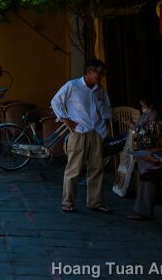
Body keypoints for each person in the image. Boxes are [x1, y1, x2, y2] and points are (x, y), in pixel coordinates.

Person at [50, 58, 112, 214]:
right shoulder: (73, 85)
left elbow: (106, 108)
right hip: (79, 132)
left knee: (97, 169)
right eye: (98, 73)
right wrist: (66, 120)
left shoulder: (100, 90)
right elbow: (56, 101)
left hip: (96, 132)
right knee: (74, 169)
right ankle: (67, 202)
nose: (101, 76)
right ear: (89, 72)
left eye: (102, 73)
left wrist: (104, 126)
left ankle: (94, 202)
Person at [128, 96, 162, 220]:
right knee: (147, 157)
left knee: (152, 171)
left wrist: (160, 160)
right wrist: (159, 150)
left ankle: (143, 212)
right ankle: (143, 210)